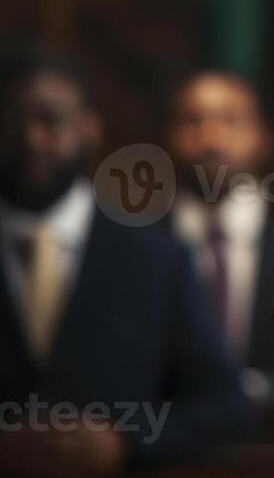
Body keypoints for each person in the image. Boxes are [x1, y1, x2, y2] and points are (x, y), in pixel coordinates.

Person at [0, 51, 251, 474]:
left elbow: (225, 405)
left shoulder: (157, 260)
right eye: (9, 122)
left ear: (88, 128)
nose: (32, 139)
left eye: (51, 120)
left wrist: (125, 442)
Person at [163, 70, 274, 422]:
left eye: (230, 121)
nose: (211, 138)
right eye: (193, 121)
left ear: (263, 136)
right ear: (169, 135)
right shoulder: (139, 244)